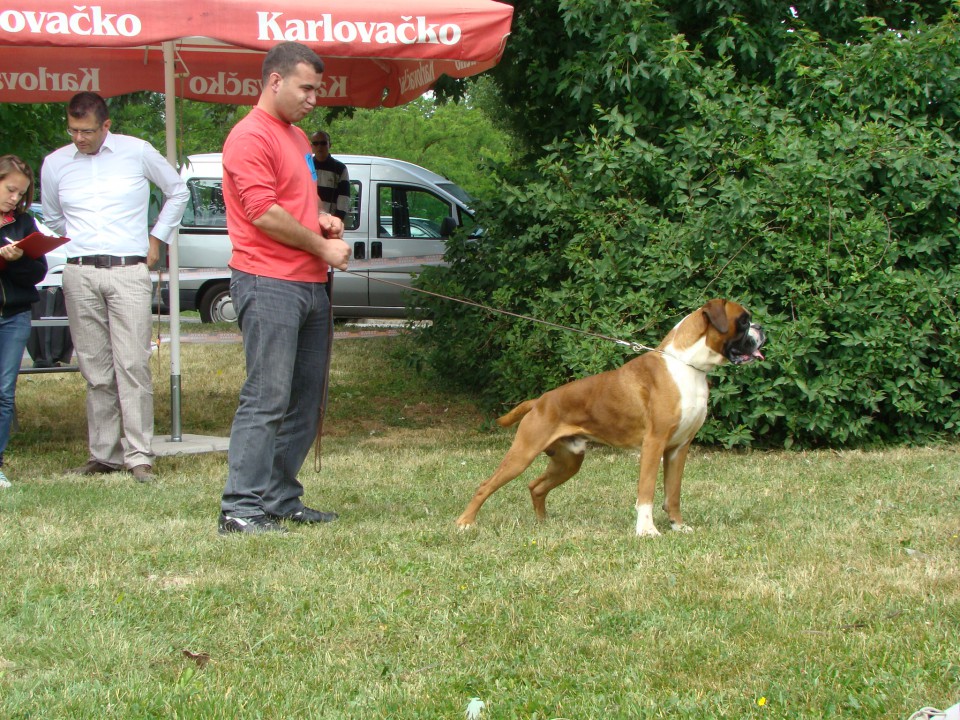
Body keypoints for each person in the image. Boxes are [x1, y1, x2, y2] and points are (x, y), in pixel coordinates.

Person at [218, 42, 350, 535]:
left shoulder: (295, 137)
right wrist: (321, 248)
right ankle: (239, 507)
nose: (314, 98)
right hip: (267, 280)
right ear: (275, 81)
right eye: (306, 88)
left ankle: (278, 497)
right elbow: (262, 212)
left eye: (317, 89)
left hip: (309, 285)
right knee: (267, 396)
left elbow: (295, 202)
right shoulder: (249, 137)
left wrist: (323, 219)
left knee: (306, 397)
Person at [41, 92, 188, 484]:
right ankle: (103, 454)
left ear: (106, 125)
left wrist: (157, 236)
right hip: (79, 270)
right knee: (95, 368)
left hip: (128, 269)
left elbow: (178, 190)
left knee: (132, 364)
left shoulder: (136, 151)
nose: (79, 138)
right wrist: (76, 241)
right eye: (72, 130)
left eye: (86, 131)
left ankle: (139, 454)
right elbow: (53, 216)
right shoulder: (54, 163)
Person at [0, 155, 48, 489]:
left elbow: (38, 272)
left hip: (14, 315)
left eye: (21, 194)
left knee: (4, 392)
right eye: (10, 190)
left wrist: (17, 260)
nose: (14, 199)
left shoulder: (24, 224)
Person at [310, 130, 350, 221]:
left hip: (329, 222)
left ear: (329, 145)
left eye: (323, 143)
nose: (319, 146)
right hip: (308, 221)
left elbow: (344, 198)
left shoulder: (340, 168)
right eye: (315, 143)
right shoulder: (306, 166)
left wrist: (336, 221)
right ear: (311, 146)